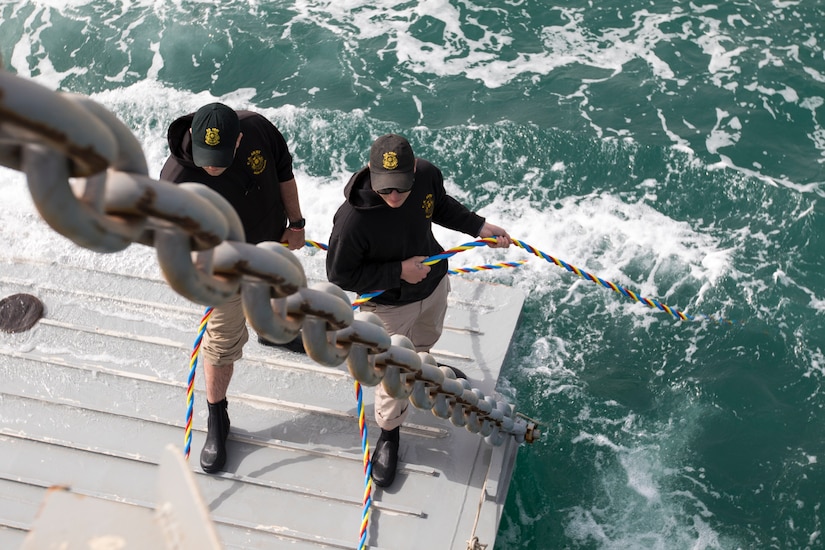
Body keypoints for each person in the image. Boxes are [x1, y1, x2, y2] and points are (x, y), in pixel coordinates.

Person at [326, 134, 512, 488]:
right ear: (370, 172)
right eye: (385, 190)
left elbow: (437, 204)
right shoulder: (352, 221)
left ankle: (425, 360)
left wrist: (478, 226)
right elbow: (339, 274)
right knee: (393, 379)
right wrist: (398, 271)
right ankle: (390, 435)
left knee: (426, 339)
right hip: (389, 307)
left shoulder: (426, 175)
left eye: (400, 188)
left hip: (433, 285)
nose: (393, 197)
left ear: (414, 170)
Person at [160, 102, 306, 473]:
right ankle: (217, 417)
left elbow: (284, 171)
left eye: (221, 158)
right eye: (206, 158)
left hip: (272, 244)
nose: (212, 166)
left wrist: (297, 223)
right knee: (222, 341)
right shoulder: (176, 178)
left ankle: (274, 334)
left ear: (239, 139)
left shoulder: (258, 129)